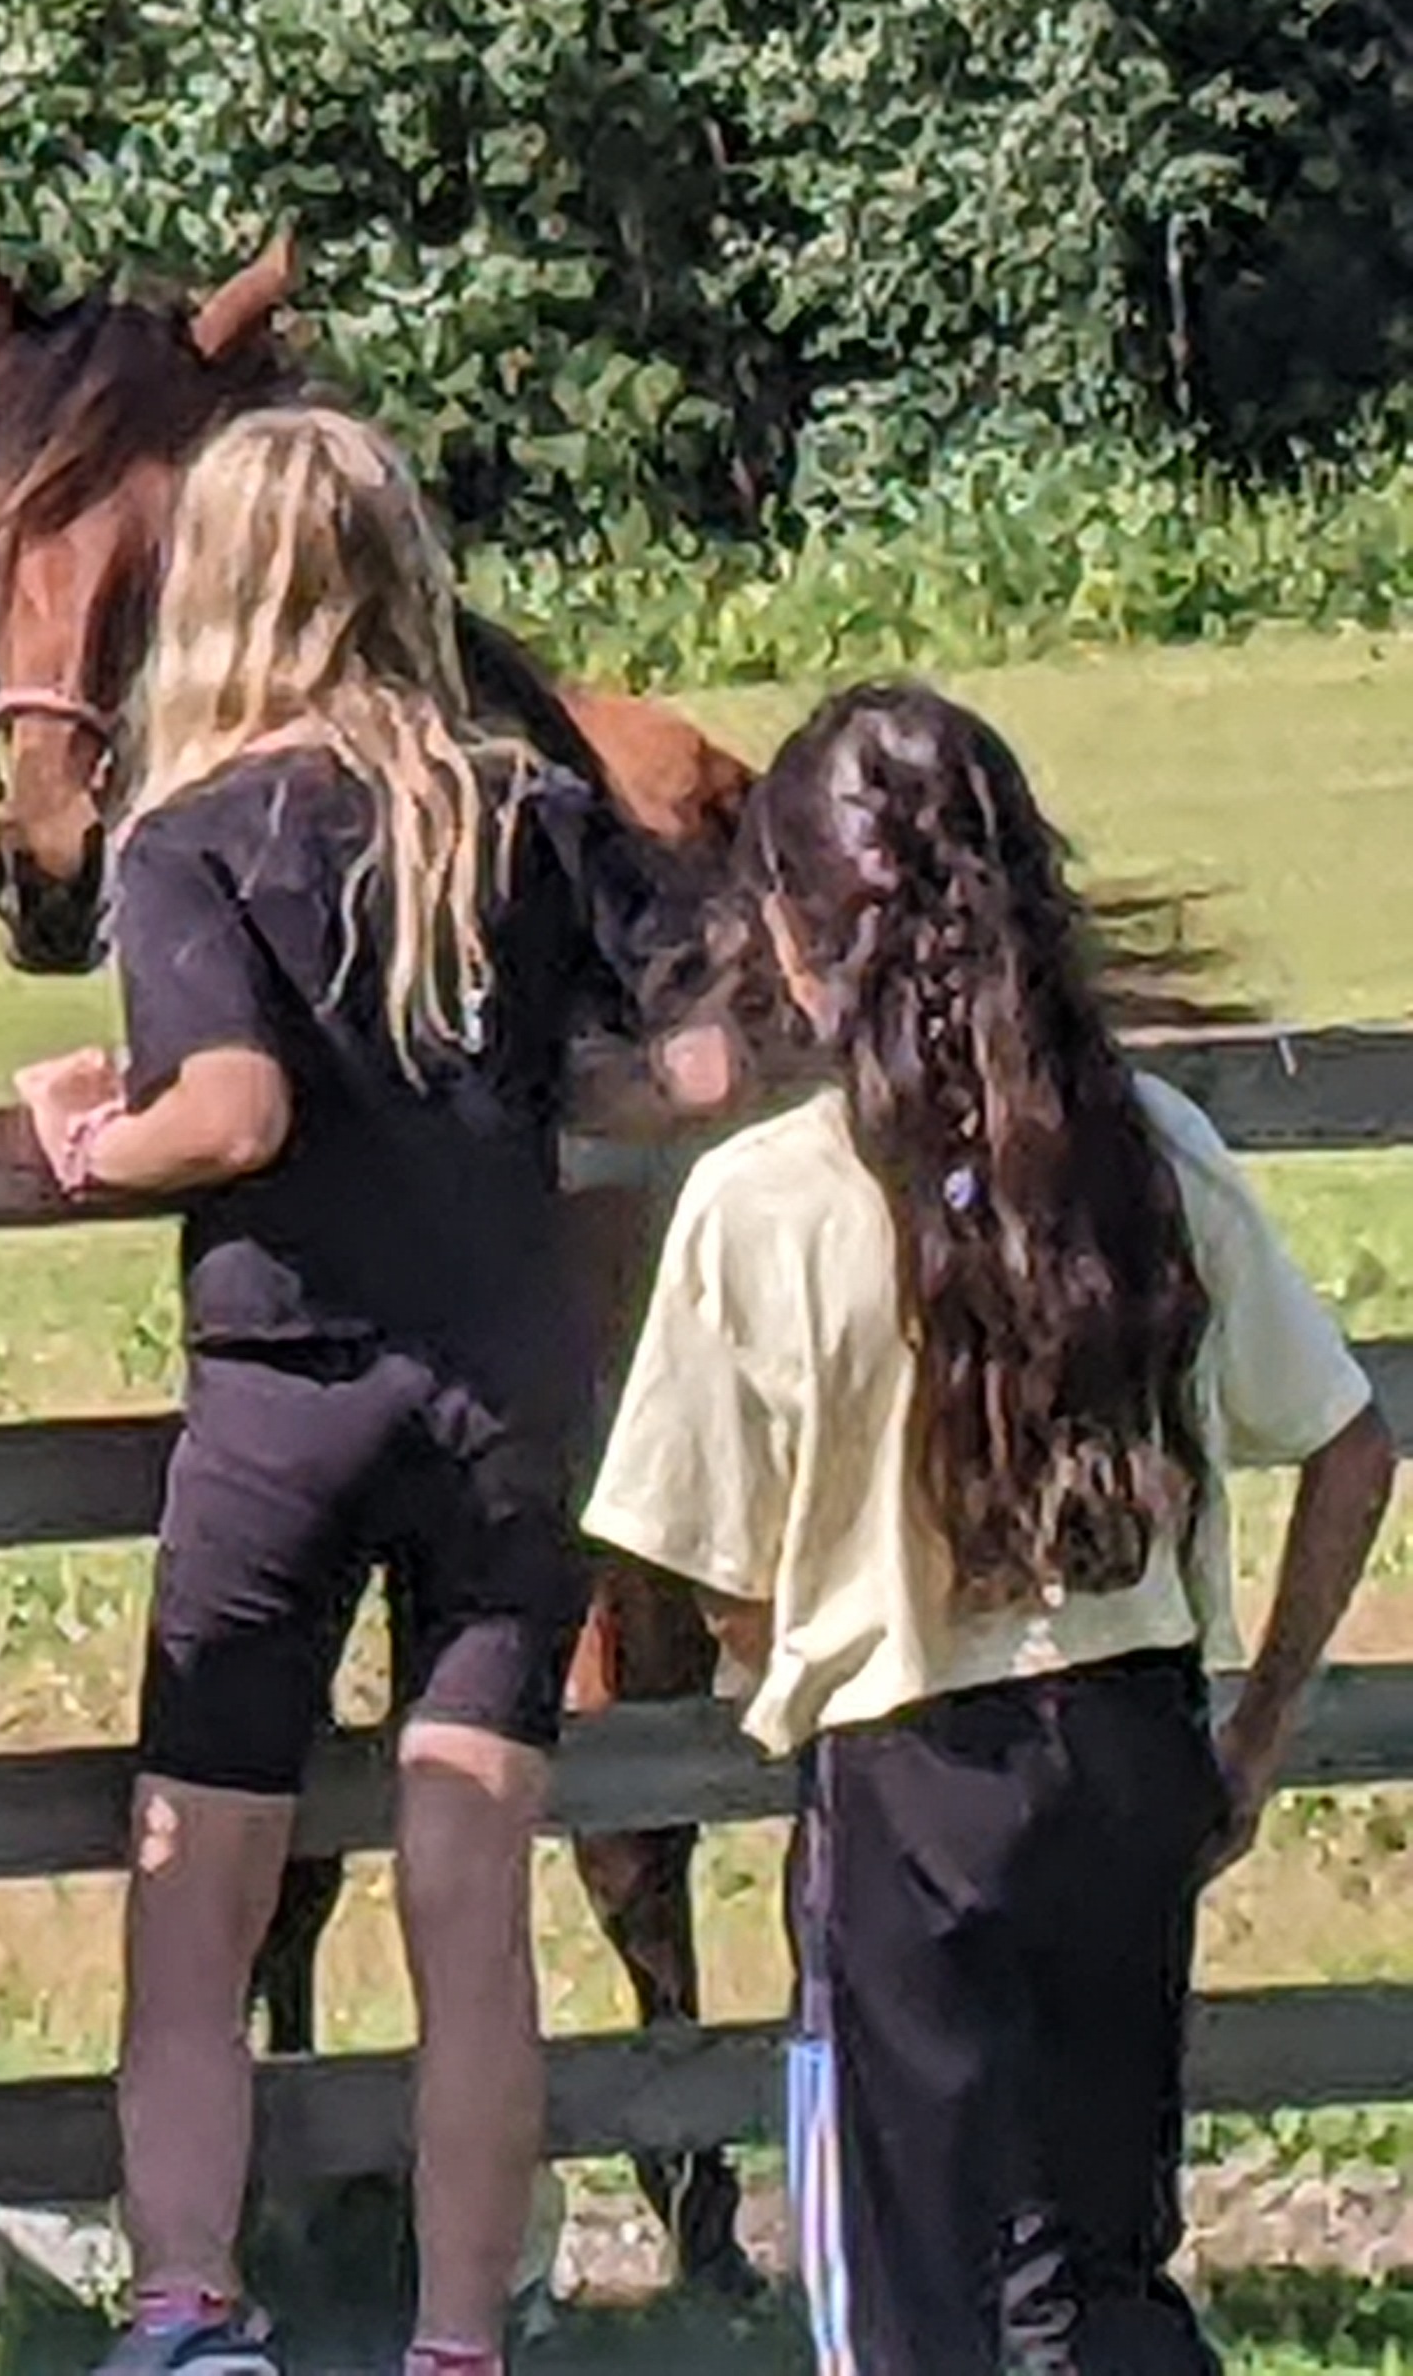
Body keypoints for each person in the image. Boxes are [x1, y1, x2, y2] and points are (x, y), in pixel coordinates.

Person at [6, 405, 712, 2376]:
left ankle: (189, 2310)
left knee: (202, 1902)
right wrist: (580, 1093)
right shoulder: (526, 814)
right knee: (471, 1914)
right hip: (504, 1402)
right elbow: (706, 1053)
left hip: (288, 1404)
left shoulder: (190, 838)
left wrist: (94, 1134)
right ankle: (460, 2339)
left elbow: (232, 1111)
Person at [587, 682, 1395, 2376]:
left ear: (797, 937)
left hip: (911, 1791)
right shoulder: (1149, 1153)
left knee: (910, 2312)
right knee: (1094, 2277)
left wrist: (793, 1653)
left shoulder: (760, 1206)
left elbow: (709, 1568)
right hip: (1130, 1746)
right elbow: (1349, 1447)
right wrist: (1253, 1735)